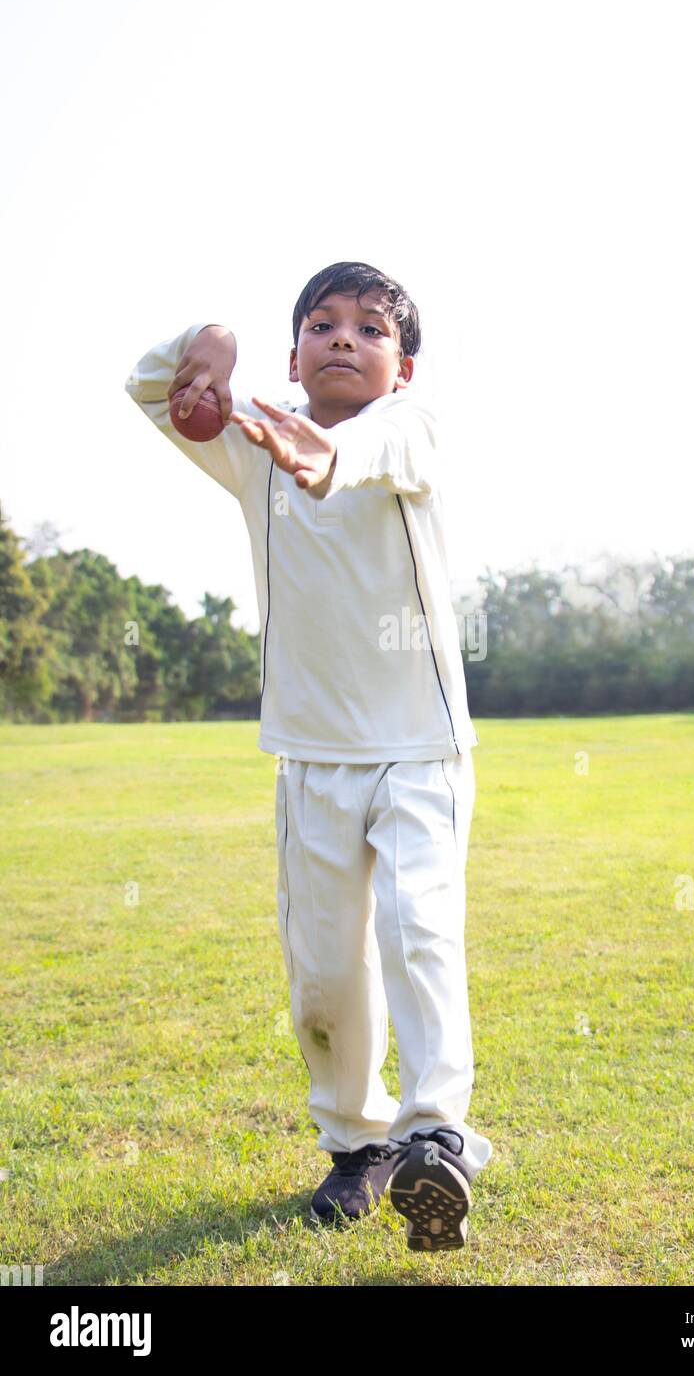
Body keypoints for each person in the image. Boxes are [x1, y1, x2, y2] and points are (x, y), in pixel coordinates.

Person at [124, 261, 493, 1252]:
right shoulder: (254, 442)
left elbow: (364, 450)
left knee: (420, 935)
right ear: (291, 354)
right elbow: (150, 388)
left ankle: (436, 1138)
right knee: (323, 973)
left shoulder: (409, 429)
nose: (342, 338)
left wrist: (320, 452)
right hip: (311, 759)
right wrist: (207, 344)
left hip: (419, 749)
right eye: (321, 324)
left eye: (369, 329)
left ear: (401, 366)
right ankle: (355, 1145)